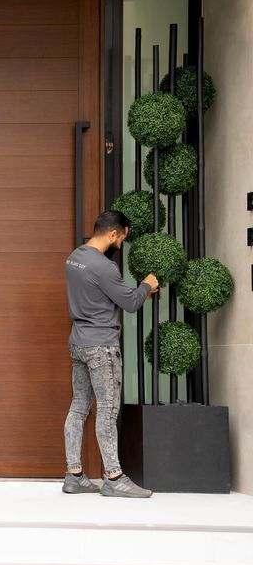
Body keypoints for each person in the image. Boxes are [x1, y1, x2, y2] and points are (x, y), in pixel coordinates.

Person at [62, 210, 158, 498]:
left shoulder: (75, 257)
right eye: (122, 238)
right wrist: (147, 285)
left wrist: (135, 292)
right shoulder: (105, 267)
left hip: (78, 341)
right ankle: (114, 477)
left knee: (79, 407)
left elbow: (102, 293)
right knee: (107, 409)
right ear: (113, 233)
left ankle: (74, 475)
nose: (121, 244)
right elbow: (129, 303)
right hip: (101, 345)